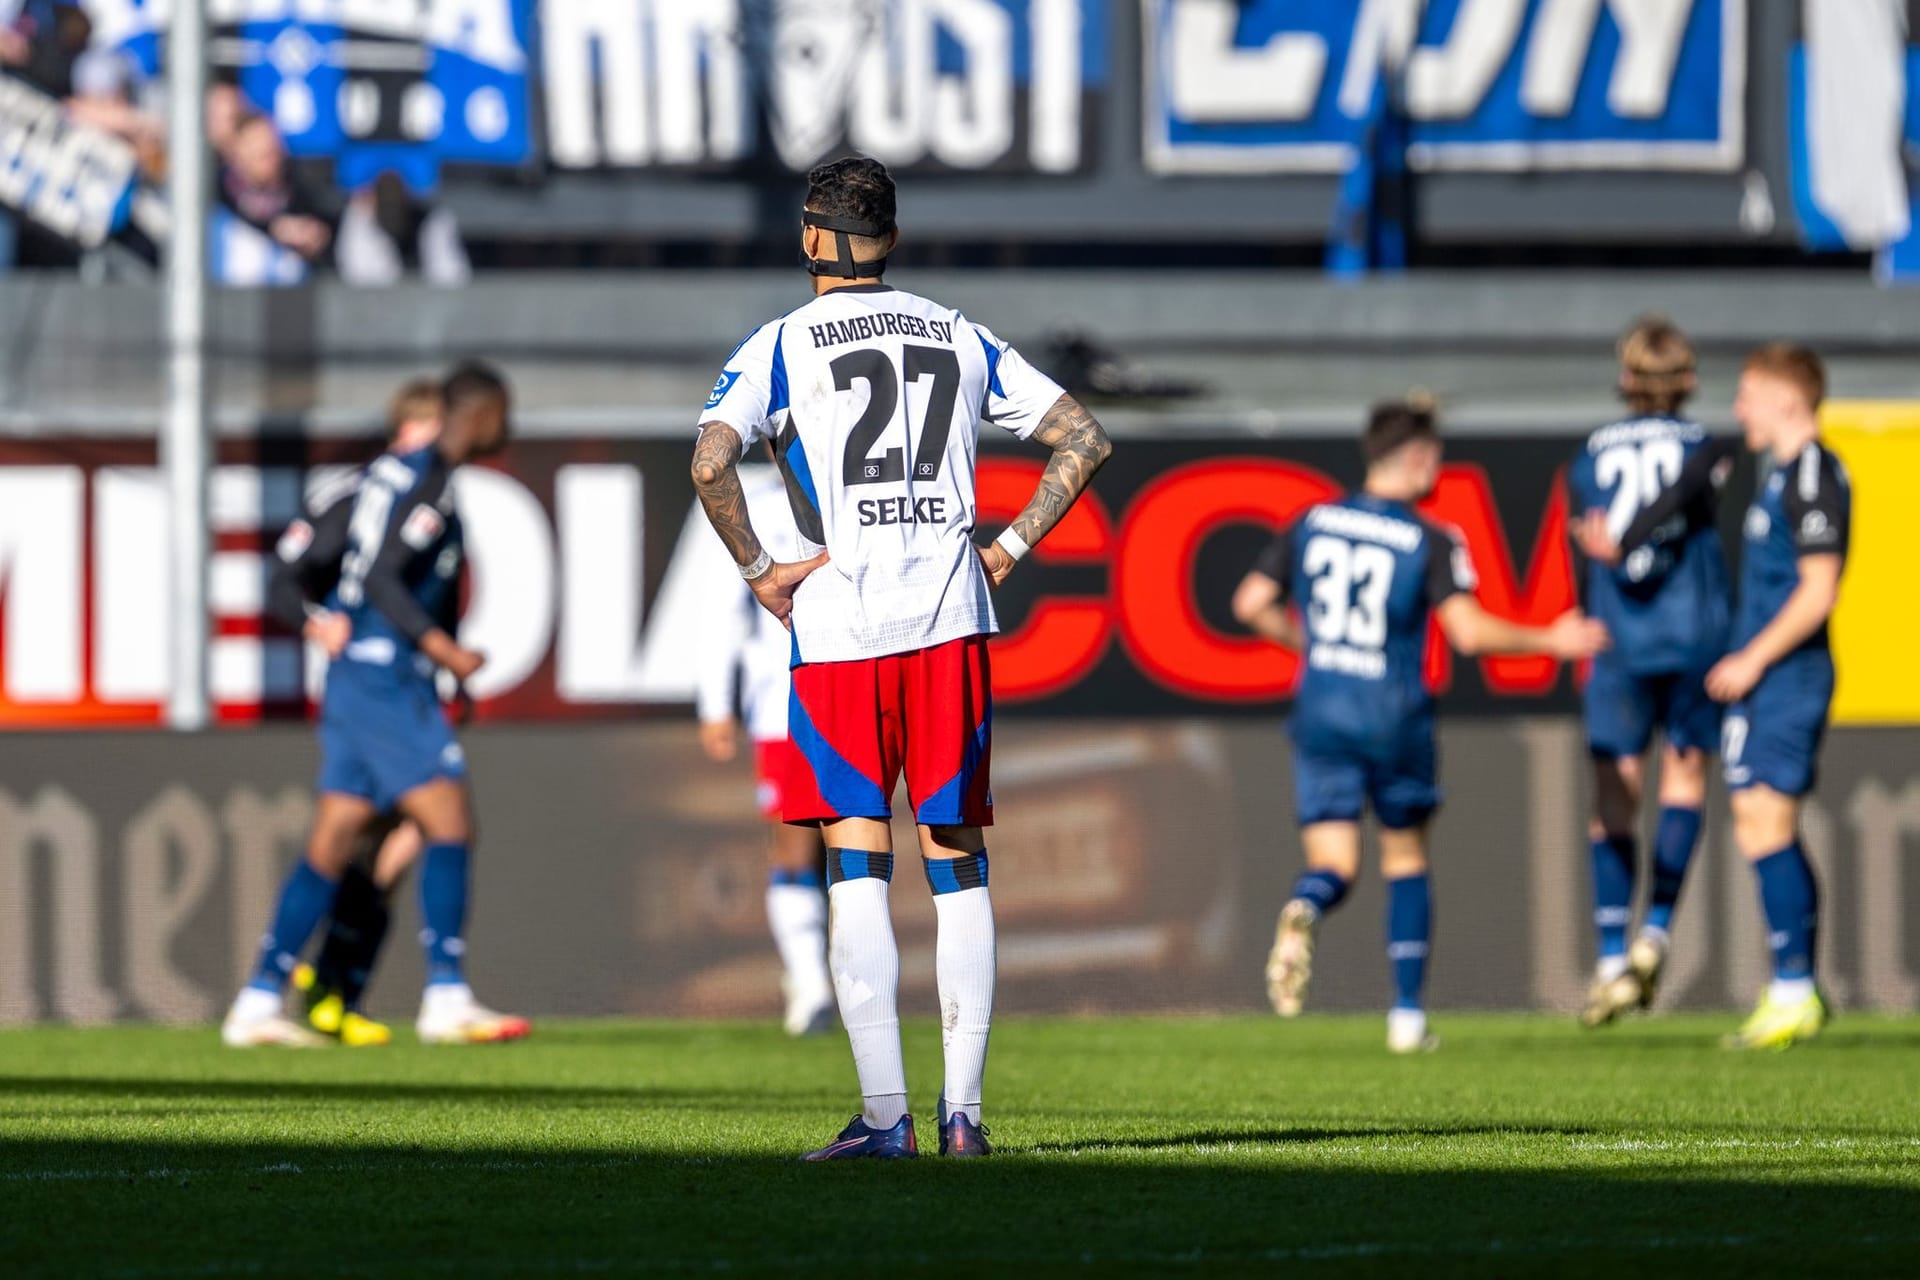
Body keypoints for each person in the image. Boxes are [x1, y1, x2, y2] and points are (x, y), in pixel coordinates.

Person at [690, 155, 1112, 1159]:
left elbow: (711, 459)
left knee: (856, 862)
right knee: (958, 860)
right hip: (949, 613)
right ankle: (965, 1114)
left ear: (808, 236)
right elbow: (1083, 437)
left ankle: (887, 1117)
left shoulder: (781, 342)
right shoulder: (955, 330)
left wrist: (759, 567)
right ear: (892, 238)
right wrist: (1006, 547)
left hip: (839, 620)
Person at [1233, 399, 1608, 1054]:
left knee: (1333, 862)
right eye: (1435, 454)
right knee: (1405, 859)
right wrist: (1550, 636)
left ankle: (1307, 906)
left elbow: (1249, 602)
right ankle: (1406, 1017)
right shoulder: (1429, 538)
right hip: (1393, 715)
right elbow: (1467, 632)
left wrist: (1309, 647)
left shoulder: (1313, 520)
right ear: (1414, 458)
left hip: (1321, 708)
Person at [223, 362, 529, 1048]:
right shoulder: (420, 479)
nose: (509, 428)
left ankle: (258, 1000)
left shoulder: (402, 480)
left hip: (373, 677)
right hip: (383, 676)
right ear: (477, 416)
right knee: (448, 819)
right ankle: (446, 994)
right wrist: (446, 654)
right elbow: (383, 575)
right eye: (503, 413)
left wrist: (441, 671)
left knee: (336, 838)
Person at [1600, 345, 1850, 1050]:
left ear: (1787, 399)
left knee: (1765, 822)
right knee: (1757, 822)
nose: (1738, 409)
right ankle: (1794, 986)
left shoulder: (1812, 474)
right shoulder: (1777, 475)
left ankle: (1794, 989)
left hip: (1788, 676)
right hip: (1766, 675)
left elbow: (1819, 590)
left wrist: (1751, 657)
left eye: (1749, 394)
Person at [258, 379, 444, 1047]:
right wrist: (316, 621)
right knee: (385, 830)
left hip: (409, 685)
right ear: (407, 432)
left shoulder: (437, 497)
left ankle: (329, 984)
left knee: (398, 838)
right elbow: (282, 576)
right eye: (431, 438)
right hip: (362, 689)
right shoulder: (359, 493)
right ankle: (309, 980)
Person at [1564, 318, 1732, 1028]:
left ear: (1626, 379)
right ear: (1687, 379)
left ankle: (1608, 953)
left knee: (1616, 791)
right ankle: (1656, 931)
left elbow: (1587, 543)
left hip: (1620, 639)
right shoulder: (1704, 446)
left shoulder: (1587, 457)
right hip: (1695, 631)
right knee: (1686, 780)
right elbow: (1697, 500)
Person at [693, 458, 834, 1038]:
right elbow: (722, 612)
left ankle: (826, 979)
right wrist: (715, 704)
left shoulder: (854, 489)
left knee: (849, 840)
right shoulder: (754, 504)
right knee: (797, 837)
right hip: (786, 700)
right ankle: (811, 982)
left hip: (853, 688)